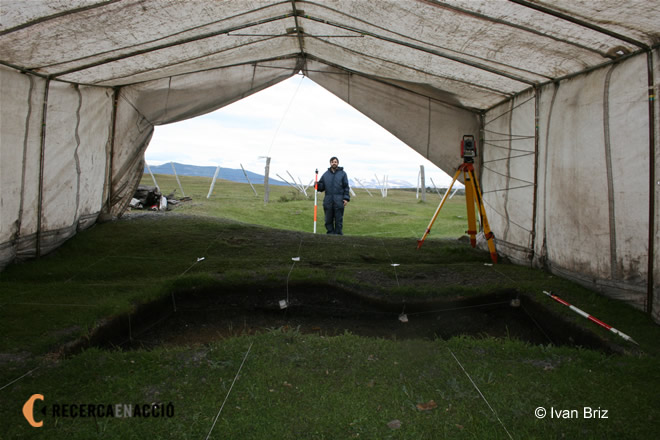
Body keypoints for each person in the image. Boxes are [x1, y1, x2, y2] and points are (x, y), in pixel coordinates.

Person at [316, 156, 350, 235]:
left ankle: (338, 235)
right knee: (328, 220)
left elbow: (346, 187)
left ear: (338, 163)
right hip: (328, 201)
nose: (334, 163)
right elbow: (321, 187)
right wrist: (317, 185)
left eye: (335, 162)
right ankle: (330, 234)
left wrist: (346, 198)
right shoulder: (325, 175)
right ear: (330, 163)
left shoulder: (343, 174)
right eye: (332, 162)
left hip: (339, 201)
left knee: (338, 220)